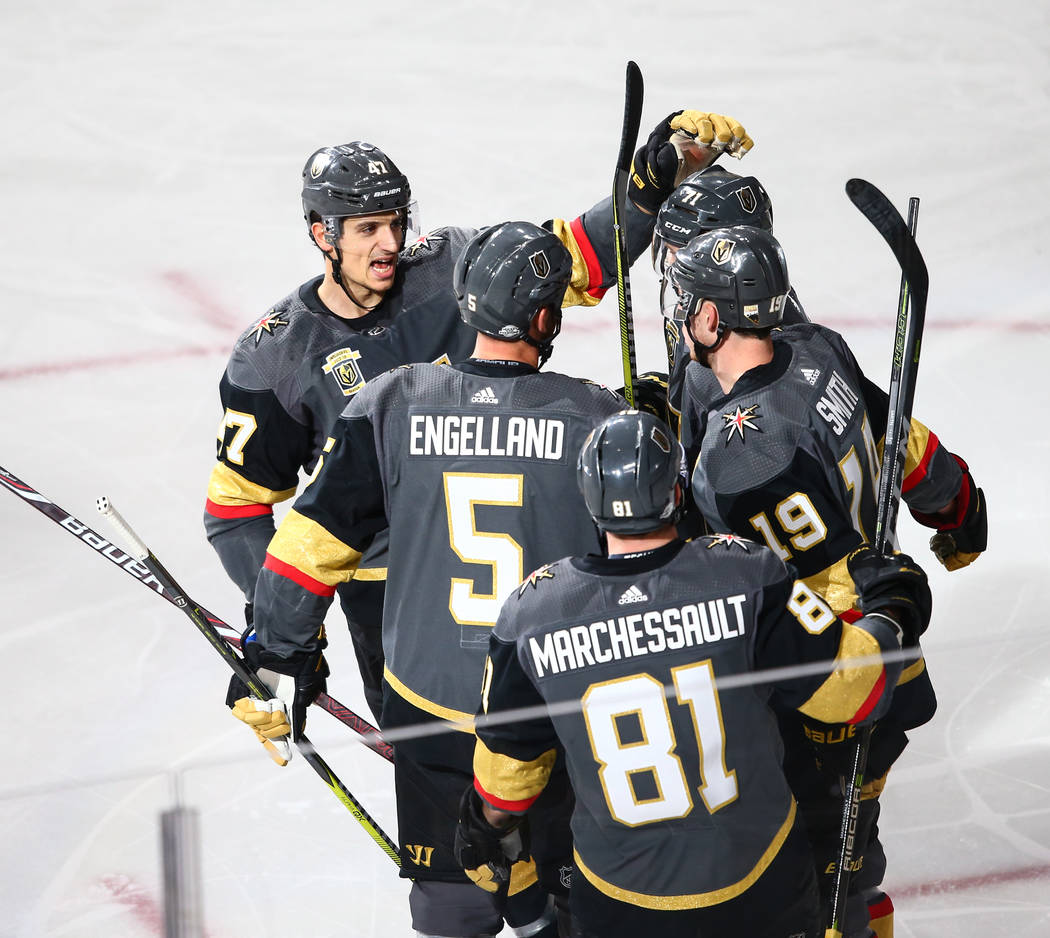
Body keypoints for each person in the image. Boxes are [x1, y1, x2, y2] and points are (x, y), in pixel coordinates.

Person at [205, 112, 751, 721]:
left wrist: (648, 190)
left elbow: (573, 258)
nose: (389, 244)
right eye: (367, 228)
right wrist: (279, 623)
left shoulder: (452, 267)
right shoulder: (277, 356)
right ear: (321, 232)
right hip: (392, 594)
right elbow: (235, 511)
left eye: (396, 222)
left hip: (523, 545)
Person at [226, 221, 663, 938]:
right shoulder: (596, 417)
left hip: (428, 704)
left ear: (465, 302)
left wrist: (276, 655)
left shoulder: (391, 401)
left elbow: (307, 548)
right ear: (546, 319)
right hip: (555, 708)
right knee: (572, 901)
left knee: (451, 905)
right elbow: (648, 572)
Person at [456, 409, 933, 938]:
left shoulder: (531, 615)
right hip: (758, 885)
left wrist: (485, 826)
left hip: (619, 901)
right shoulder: (745, 574)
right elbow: (854, 693)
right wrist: (892, 609)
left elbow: (504, 787)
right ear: (678, 492)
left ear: (589, 499)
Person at [666, 227, 988, 937]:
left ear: (711, 317)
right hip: (882, 650)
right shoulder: (818, 347)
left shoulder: (745, 460)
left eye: (686, 303)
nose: (679, 315)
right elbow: (895, 435)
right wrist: (956, 500)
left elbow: (822, 589)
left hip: (836, 690)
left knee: (818, 882)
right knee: (852, 866)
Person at [649, 166, 809, 441]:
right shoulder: (705, 301)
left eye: (681, 253)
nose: (672, 266)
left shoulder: (750, 354)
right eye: (670, 251)